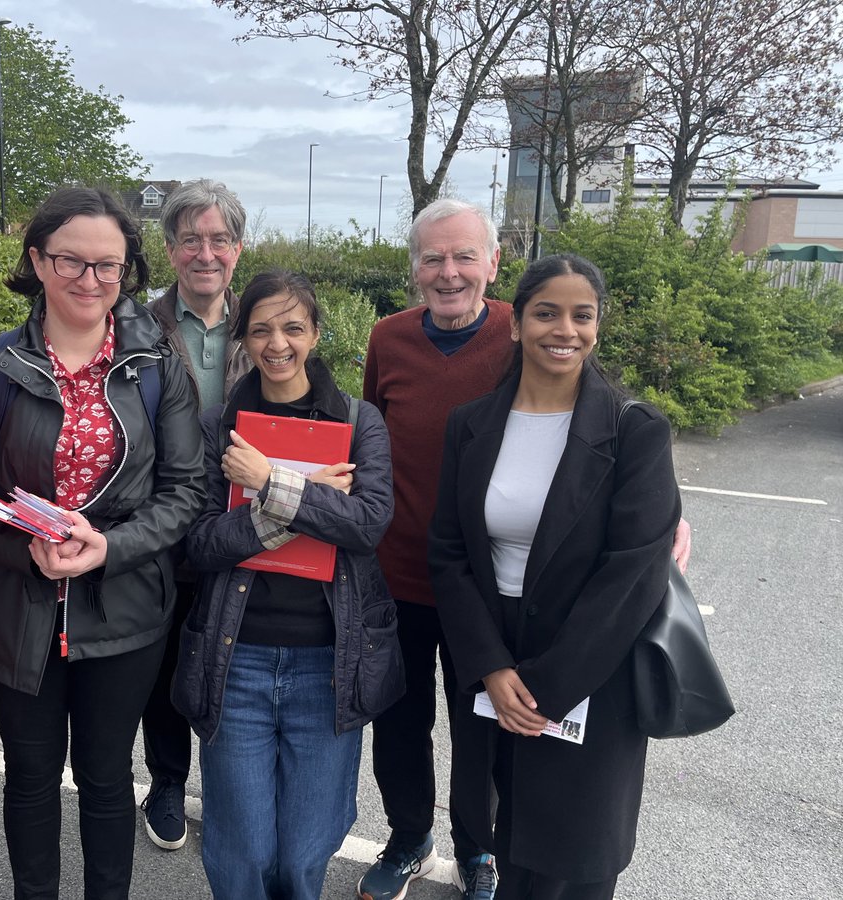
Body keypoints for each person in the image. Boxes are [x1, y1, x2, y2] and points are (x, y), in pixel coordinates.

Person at [358, 198, 692, 900]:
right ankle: (413, 835)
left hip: (553, 635)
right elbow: (371, 446)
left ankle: (474, 854)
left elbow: (626, 549)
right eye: (433, 258)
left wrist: (668, 521)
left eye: (464, 256)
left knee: (566, 834)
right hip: (428, 588)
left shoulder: (599, 393)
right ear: (414, 266)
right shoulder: (400, 351)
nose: (449, 272)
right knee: (422, 739)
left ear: (494, 268)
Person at [0, 187, 205, 900]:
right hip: (12, 611)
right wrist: (24, 550)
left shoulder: (157, 369)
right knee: (29, 777)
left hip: (125, 612)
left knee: (107, 777)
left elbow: (186, 492)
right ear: (37, 260)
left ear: (127, 272)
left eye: (108, 266)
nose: (90, 281)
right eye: (70, 261)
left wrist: (110, 548)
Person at [428, 253, 681, 899]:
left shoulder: (635, 429)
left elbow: (633, 574)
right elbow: (450, 553)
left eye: (581, 315)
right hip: (496, 656)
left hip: (590, 664)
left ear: (598, 325)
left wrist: (545, 685)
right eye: (545, 313)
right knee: (505, 842)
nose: (563, 329)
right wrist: (490, 664)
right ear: (515, 325)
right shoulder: (472, 425)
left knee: (574, 860)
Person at [173, 270, 405, 900]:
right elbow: (198, 544)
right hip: (236, 657)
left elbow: (366, 526)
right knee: (240, 848)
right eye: (262, 329)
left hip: (329, 662)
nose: (278, 343)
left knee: (306, 850)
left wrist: (270, 480)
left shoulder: (360, 422)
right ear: (244, 338)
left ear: (316, 333)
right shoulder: (219, 423)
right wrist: (305, 502)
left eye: (293, 327)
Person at [140, 178, 252, 850]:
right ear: (171, 248)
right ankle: (167, 784)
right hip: (160, 527)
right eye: (191, 240)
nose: (205, 253)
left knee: (230, 663)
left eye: (218, 239)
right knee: (163, 666)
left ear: (238, 248)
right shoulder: (135, 325)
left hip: (239, 527)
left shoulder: (267, 321)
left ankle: (228, 787)